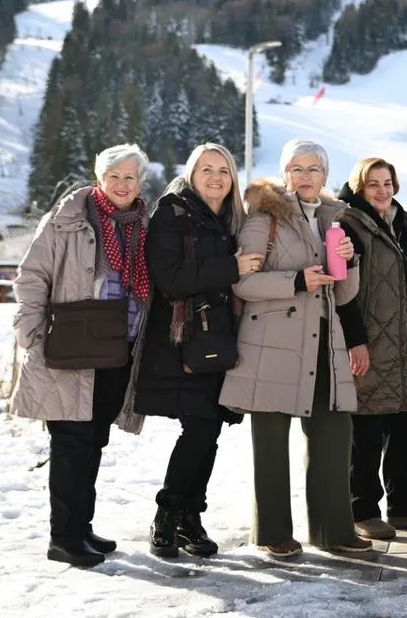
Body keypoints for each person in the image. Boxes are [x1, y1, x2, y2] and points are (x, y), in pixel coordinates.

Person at [219, 139, 372, 558]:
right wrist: (296, 281)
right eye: (297, 169)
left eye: (314, 169)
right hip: (272, 345)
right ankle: (272, 532)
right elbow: (242, 283)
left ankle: (334, 530)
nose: (306, 176)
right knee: (270, 443)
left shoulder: (333, 220)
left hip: (323, 343)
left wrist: (350, 262)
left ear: (325, 176)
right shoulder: (263, 219)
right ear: (285, 174)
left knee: (334, 435)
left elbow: (343, 295)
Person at [12, 144, 152, 567]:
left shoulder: (145, 224)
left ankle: (81, 528)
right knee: (71, 442)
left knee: (93, 440)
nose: (122, 185)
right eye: (114, 176)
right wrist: (31, 332)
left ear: (140, 182)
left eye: (130, 177)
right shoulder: (67, 220)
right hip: (70, 346)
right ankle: (64, 538)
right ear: (99, 179)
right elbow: (32, 275)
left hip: (119, 348)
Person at [135, 143, 261, 558]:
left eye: (223, 170)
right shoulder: (172, 213)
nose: (215, 178)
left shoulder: (230, 220)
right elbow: (170, 278)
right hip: (182, 341)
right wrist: (232, 267)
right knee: (200, 428)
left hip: (219, 339)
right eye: (206, 169)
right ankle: (168, 513)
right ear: (191, 174)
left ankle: (189, 517)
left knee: (210, 430)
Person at [334, 157, 407, 540]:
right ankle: (362, 509)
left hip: (404, 345)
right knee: (366, 432)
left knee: (403, 428)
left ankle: (405, 507)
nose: (382, 190)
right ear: (359, 188)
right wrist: (355, 340)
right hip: (370, 344)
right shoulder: (348, 224)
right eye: (373, 184)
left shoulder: (399, 222)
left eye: (387, 183)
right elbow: (343, 291)